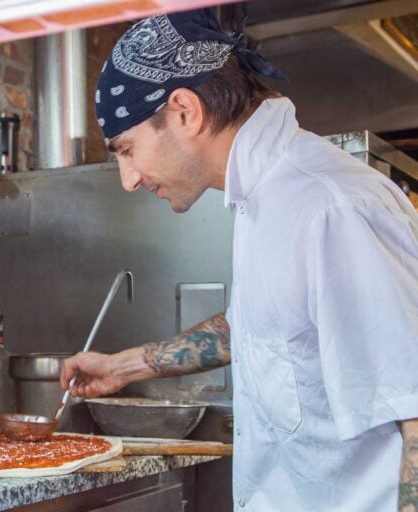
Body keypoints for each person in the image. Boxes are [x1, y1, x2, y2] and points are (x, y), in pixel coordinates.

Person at [60, 8, 418, 511]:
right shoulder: (263, 199)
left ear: (185, 111)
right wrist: (123, 367)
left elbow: (415, 409)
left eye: (127, 149)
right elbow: (260, 329)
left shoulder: (330, 207)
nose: (129, 178)